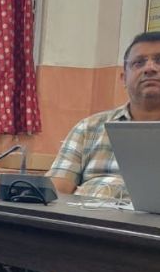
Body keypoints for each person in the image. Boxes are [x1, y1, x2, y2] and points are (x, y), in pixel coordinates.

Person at [48, 31, 160, 198]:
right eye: (139, 63)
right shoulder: (88, 128)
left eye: (159, 61)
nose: (149, 68)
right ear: (123, 78)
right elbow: (55, 192)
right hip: (87, 213)